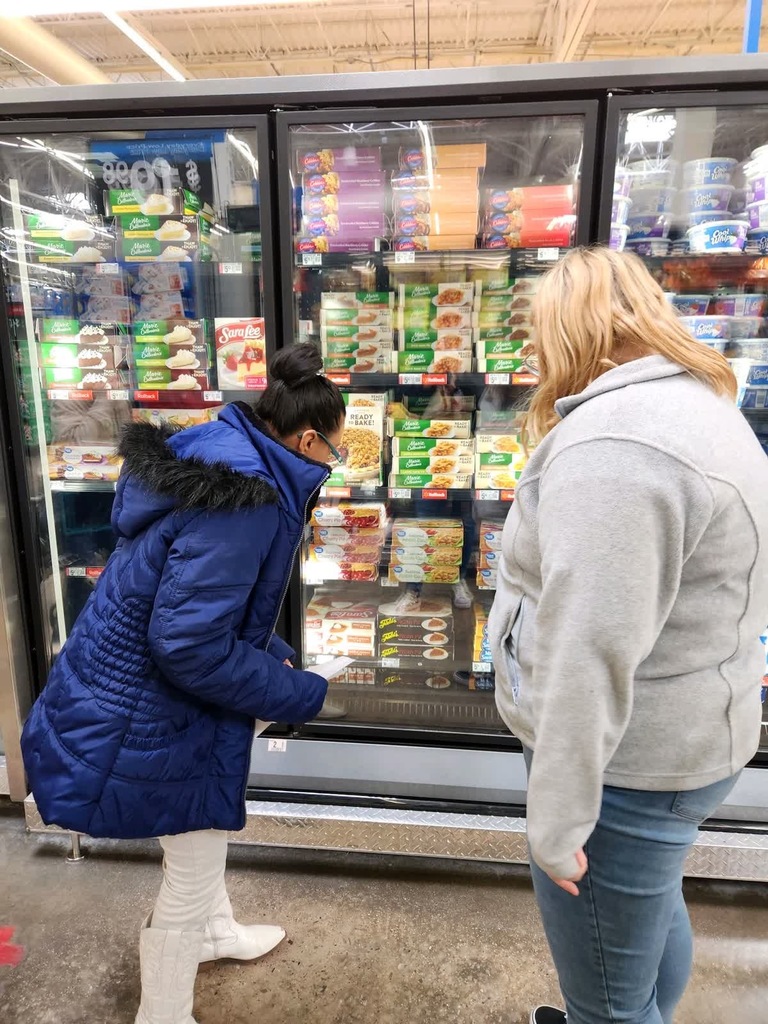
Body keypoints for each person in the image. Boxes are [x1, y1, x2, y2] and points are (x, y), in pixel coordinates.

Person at [21, 344, 346, 1024]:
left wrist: (272, 652)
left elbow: (189, 600)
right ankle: (162, 1012)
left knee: (201, 833)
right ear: (309, 439)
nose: (329, 465)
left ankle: (214, 934)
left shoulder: (221, 450)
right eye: (333, 453)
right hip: (151, 708)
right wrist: (299, 694)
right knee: (194, 852)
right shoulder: (252, 498)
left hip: (123, 680)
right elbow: (188, 644)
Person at [488, 246, 768, 1024]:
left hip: (625, 768)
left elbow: (590, 647)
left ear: (579, 330)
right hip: (682, 738)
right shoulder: (698, 404)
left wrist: (558, 819)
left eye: (540, 332)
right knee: (645, 915)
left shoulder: (618, 450)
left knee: (605, 1004)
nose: (533, 353)